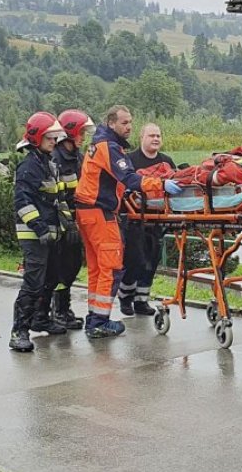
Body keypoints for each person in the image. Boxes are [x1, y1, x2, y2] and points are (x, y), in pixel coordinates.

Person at [73, 105, 181, 339]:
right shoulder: (108, 147)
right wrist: (161, 185)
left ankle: (94, 318)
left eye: (130, 122)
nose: (129, 126)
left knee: (97, 269)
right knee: (110, 268)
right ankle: (99, 322)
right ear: (111, 123)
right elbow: (130, 178)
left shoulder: (99, 144)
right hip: (100, 212)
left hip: (88, 212)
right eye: (124, 123)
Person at [9, 112, 69, 352]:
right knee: (33, 283)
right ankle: (19, 331)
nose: (54, 141)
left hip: (51, 232)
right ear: (36, 137)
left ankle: (40, 319)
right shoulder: (29, 166)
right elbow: (22, 203)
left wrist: (67, 224)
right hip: (33, 234)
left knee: (52, 278)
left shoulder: (48, 163)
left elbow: (56, 198)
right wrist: (40, 228)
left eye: (55, 137)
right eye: (49, 137)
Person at [118, 123, 176, 316]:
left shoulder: (166, 161)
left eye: (158, 135)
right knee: (135, 260)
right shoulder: (130, 160)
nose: (156, 139)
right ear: (142, 137)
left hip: (157, 219)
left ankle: (142, 300)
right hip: (134, 219)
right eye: (151, 135)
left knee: (151, 261)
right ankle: (125, 298)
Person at [49, 108, 95, 331]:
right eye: (81, 133)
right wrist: (67, 222)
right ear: (69, 132)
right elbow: (58, 195)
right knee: (61, 265)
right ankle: (57, 310)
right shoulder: (57, 158)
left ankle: (63, 309)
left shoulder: (77, 156)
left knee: (73, 264)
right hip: (61, 220)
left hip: (77, 218)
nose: (83, 138)